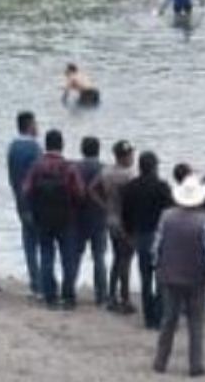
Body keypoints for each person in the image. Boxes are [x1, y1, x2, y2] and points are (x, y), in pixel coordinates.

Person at [152, 175, 205, 376]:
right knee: (196, 322)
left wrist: (157, 267)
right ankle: (195, 365)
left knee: (169, 319)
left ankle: (160, 362)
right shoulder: (203, 219)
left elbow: (157, 247)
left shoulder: (166, 216)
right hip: (196, 278)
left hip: (170, 276)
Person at [23, 130, 85, 308]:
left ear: (46, 145)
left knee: (46, 255)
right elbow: (80, 193)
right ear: (61, 145)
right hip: (66, 218)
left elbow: (26, 190)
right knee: (68, 258)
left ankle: (50, 295)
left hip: (43, 219)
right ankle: (68, 295)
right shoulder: (69, 167)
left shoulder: (37, 166)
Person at [122, 151, 173, 329]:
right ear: (154, 167)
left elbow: (125, 215)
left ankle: (148, 317)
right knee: (161, 277)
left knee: (145, 277)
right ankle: (159, 315)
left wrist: (129, 233)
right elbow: (171, 211)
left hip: (141, 236)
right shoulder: (162, 186)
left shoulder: (130, 187)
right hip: (160, 236)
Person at [90, 140, 136, 313]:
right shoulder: (129, 176)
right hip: (126, 221)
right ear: (123, 157)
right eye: (130, 154)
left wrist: (104, 205)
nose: (132, 157)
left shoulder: (106, 171)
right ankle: (124, 298)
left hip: (111, 219)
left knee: (117, 258)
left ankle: (111, 295)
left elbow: (92, 189)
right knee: (126, 259)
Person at [7, 111, 43, 297]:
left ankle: (34, 283)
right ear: (29, 126)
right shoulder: (35, 149)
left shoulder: (12, 147)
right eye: (36, 123)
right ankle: (43, 285)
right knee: (44, 243)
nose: (38, 127)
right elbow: (40, 178)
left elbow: (12, 178)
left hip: (20, 201)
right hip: (36, 203)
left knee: (29, 242)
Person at [74, 137, 108, 307]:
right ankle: (101, 295)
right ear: (98, 149)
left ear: (82, 150)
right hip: (99, 217)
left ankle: (70, 290)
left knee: (75, 256)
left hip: (78, 218)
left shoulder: (75, 168)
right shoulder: (104, 169)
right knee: (99, 258)